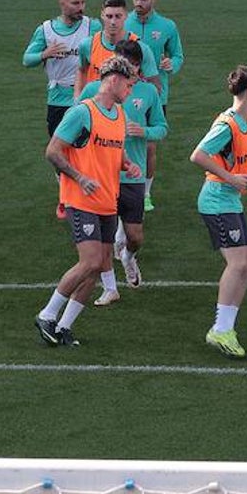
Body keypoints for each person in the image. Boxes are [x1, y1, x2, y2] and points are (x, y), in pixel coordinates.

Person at [35, 57, 141, 347]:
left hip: (108, 201)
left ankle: (63, 327)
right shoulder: (82, 113)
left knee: (98, 267)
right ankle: (47, 315)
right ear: (115, 80)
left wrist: (127, 165)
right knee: (91, 261)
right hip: (81, 199)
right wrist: (79, 177)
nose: (131, 91)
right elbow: (53, 151)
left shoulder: (119, 115)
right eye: (129, 85)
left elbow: (114, 153)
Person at [76, 40, 167, 306]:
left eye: (134, 67)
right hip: (103, 176)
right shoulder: (94, 90)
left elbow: (162, 127)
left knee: (135, 235)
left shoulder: (149, 93)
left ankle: (127, 256)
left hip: (132, 176)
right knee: (103, 241)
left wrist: (145, 132)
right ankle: (110, 287)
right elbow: (78, 122)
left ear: (139, 68)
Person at [189, 66, 247, 358]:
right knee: (237, 264)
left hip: (231, 200)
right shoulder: (228, 124)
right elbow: (198, 155)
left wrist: (246, 175)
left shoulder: (245, 122)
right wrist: (231, 178)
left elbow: (233, 160)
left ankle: (226, 328)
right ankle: (220, 329)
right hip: (216, 201)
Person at [22, 0, 101, 219]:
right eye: (76, 3)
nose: (81, 7)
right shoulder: (46, 30)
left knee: (89, 149)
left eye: (83, 2)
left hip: (87, 100)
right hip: (57, 100)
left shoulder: (92, 26)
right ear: (62, 3)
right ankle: (65, 196)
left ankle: (92, 193)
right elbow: (27, 59)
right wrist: (44, 54)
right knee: (59, 154)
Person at [125, 0, 183, 211]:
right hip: (126, 94)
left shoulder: (167, 26)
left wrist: (172, 64)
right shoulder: (123, 22)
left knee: (149, 147)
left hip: (156, 96)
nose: (138, 3)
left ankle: (145, 193)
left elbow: (178, 55)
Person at [76, 0, 158, 100]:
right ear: (102, 15)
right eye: (109, 16)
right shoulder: (87, 45)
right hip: (97, 109)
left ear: (126, 16)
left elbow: (154, 84)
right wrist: (77, 97)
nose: (113, 22)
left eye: (118, 16)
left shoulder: (141, 48)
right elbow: (81, 70)